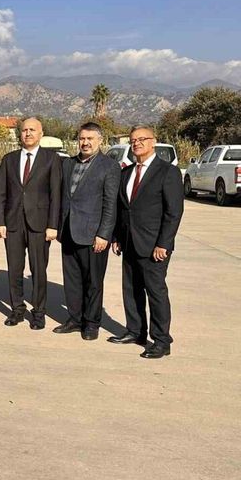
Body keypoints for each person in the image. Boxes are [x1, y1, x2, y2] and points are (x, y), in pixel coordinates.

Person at [109, 126, 184, 359]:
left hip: (154, 246)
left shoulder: (167, 172)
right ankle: (136, 331)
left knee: (155, 292)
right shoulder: (126, 172)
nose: (137, 143)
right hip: (129, 242)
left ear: (153, 142)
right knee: (131, 289)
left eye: (142, 139)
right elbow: (122, 209)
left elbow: (174, 212)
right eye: (133, 140)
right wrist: (117, 237)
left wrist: (164, 243)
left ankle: (162, 340)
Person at [54, 122, 120, 340]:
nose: (85, 142)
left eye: (90, 138)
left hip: (93, 236)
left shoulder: (109, 166)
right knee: (72, 280)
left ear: (100, 140)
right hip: (68, 232)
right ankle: (75, 319)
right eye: (82, 138)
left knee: (93, 282)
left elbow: (110, 204)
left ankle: (91, 323)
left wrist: (104, 234)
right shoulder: (68, 164)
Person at [0, 117, 62, 329]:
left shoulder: (51, 159)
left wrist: (53, 225)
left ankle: (39, 312)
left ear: (41, 134)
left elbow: (56, 195)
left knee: (38, 270)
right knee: (14, 269)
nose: (28, 133)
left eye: (32, 130)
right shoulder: (9, 159)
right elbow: (1, 193)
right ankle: (17, 309)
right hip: (13, 223)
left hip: (39, 225)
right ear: (20, 134)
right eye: (24, 130)